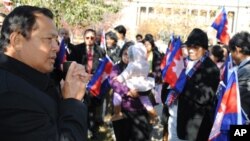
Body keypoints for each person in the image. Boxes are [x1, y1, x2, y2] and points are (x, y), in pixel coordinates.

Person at [0, 5, 89, 141]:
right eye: (49, 39)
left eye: (56, 40)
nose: (57, 47)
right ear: (17, 41)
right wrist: (73, 101)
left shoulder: (27, 76)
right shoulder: (11, 97)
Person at [165, 28, 220, 141]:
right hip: (173, 118)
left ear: (204, 49)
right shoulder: (181, 62)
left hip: (192, 127)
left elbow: (205, 97)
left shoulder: (211, 69)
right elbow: (169, 84)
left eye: (195, 47)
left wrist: (181, 84)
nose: (191, 50)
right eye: (189, 46)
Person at [109, 41, 153, 141]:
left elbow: (149, 85)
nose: (127, 57)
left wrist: (140, 91)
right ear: (121, 54)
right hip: (122, 112)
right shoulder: (116, 68)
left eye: (131, 55)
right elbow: (114, 83)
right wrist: (128, 91)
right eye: (125, 54)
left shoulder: (142, 67)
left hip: (139, 111)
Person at [70, 28, 106, 139]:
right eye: (87, 38)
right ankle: (83, 131)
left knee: (95, 109)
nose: (90, 40)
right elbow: (73, 65)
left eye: (92, 38)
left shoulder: (100, 50)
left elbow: (103, 67)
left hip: (95, 84)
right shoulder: (77, 49)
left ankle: (94, 132)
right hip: (81, 83)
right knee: (83, 109)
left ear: (95, 38)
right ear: (84, 38)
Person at [228, 31, 250, 121]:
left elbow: (238, 104)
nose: (231, 56)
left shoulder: (245, 72)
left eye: (231, 52)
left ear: (237, 50)